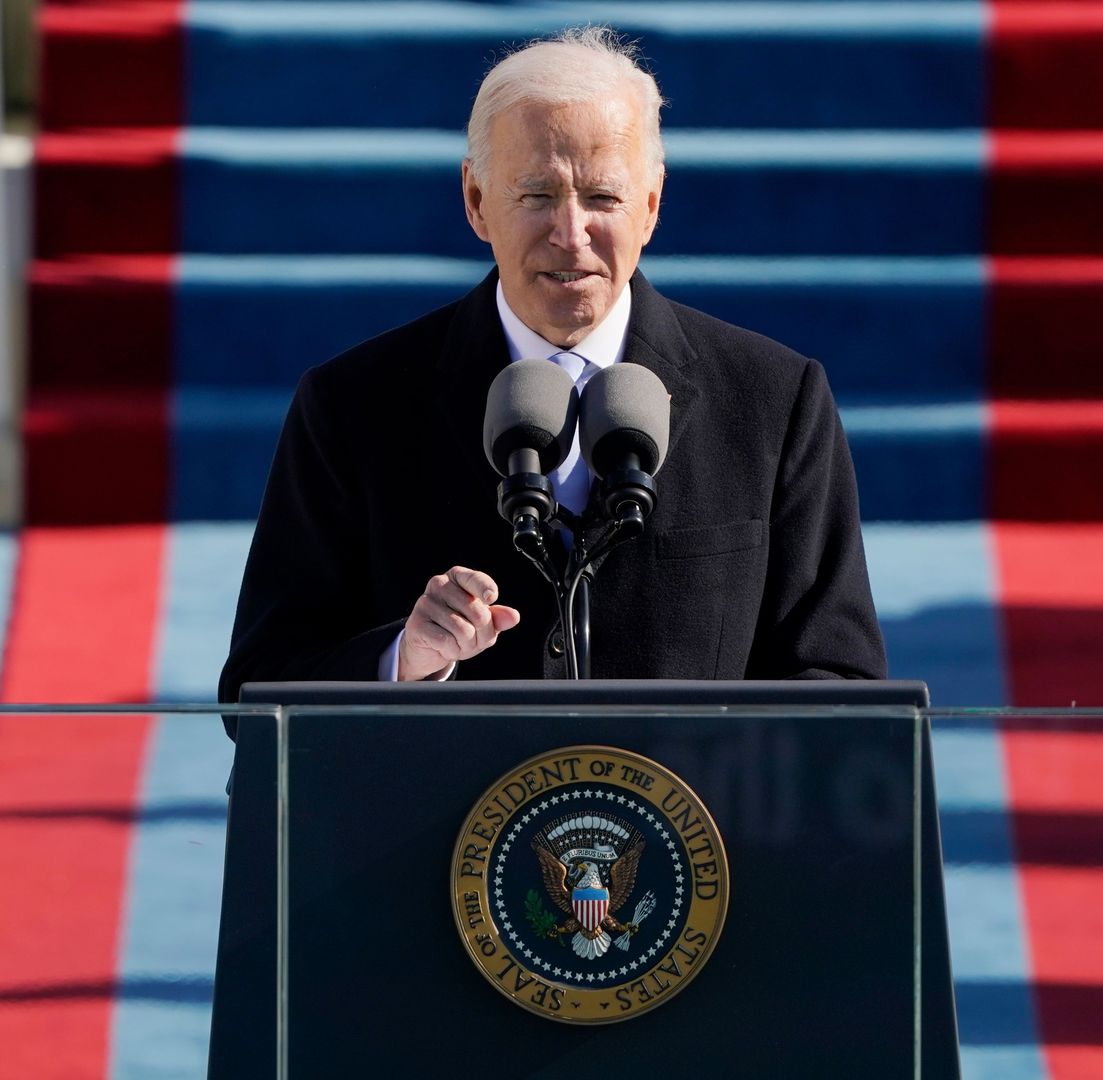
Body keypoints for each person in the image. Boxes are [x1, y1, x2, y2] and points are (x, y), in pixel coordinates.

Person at [220, 27, 885, 697]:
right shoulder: (352, 407)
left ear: (651, 206)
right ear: (477, 202)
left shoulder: (774, 400)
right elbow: (259, 687)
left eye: (602, 198)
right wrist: (405, 657)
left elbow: (842, 683)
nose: (571, 236)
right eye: (537, 196)